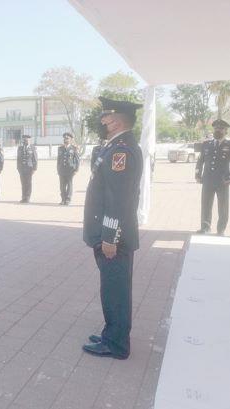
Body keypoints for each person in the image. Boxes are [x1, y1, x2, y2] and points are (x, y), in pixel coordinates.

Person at [82, 97, 143, 360]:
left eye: (106, 115)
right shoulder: (116, 146)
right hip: (111, 234)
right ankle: (112, 333)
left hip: (114, 238)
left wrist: (109, 236)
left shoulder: (122, 151)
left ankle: (117, 344)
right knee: (112, 287)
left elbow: (118, 200)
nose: (103, 119)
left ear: (116, 119)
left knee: (115, 290)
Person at [195, 119, 230, 236]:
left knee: (223, 207)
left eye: (220, 128)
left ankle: (221, 229)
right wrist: (197, 174)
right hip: (208, 179)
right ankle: (205, 227)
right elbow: (200, 161)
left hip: (223, 181)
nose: (217, 130)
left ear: (225, 130)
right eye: (216, 128)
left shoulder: (228, 145)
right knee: (205, 204)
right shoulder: (206, 144)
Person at [57, 132, 80, 205]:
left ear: (70, 140)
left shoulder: (74, 148)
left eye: (67, 139)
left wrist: (76, 169)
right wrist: (58, 169)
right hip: (62, 170)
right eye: (64, 138)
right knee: (62, 186)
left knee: (69, 185)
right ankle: (63, 199)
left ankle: (68, 199)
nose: (65, 140)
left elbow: (77, 160)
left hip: (70, 170)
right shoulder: (60, 148)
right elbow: (58, 159)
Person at [16, 135, 37, 203]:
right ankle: (23, 197)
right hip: (22, 168)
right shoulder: (20, 148)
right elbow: (18, 159)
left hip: (29, 168)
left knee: (28, 183)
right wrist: (18, 168)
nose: (26, 141)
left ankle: (27, 197)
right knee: (23, 183)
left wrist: (34, 168)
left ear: (29, 140)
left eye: (27, 140)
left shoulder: (32, 148)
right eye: (24, 140)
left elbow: (35, 159)